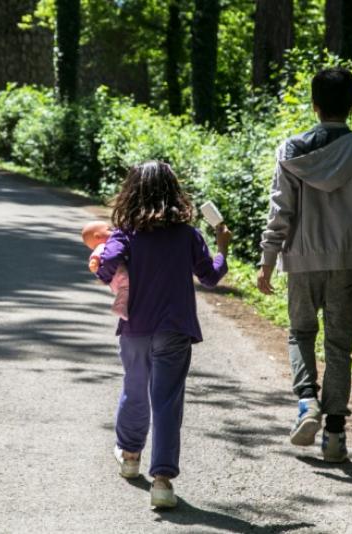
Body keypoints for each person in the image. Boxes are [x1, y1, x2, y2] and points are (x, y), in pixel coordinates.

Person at [256, 67, 352, 463]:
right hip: (347, 260)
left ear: (314, 106)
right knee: (340, 345)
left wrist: (267, 261)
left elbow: (280, 212)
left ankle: (306, 403)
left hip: (300, 259)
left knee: (300, 333)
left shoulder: (291, 151)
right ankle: (334, 436)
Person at [95, 161, 232, 508]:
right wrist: (222, 247)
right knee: (167, 401)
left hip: (135, 325)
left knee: (134, 387)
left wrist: (110, 265)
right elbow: (211, 277)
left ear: (133, 192)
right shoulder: (188, 235)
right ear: (174, 193)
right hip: (174, 327)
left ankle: (129, 457)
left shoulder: (126, 233)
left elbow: (107, 264)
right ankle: (162, 481)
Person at [81, 220, 130, 320]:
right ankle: (120, 308)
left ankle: (123, 306)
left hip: (116, 274)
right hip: (118, 274)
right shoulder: (102, 246)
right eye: (109, 229)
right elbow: (96, 255)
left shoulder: (108, 245)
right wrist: (94, 261)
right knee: (126, 287)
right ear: (98, 236)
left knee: (125, 290)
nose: (113, 231)